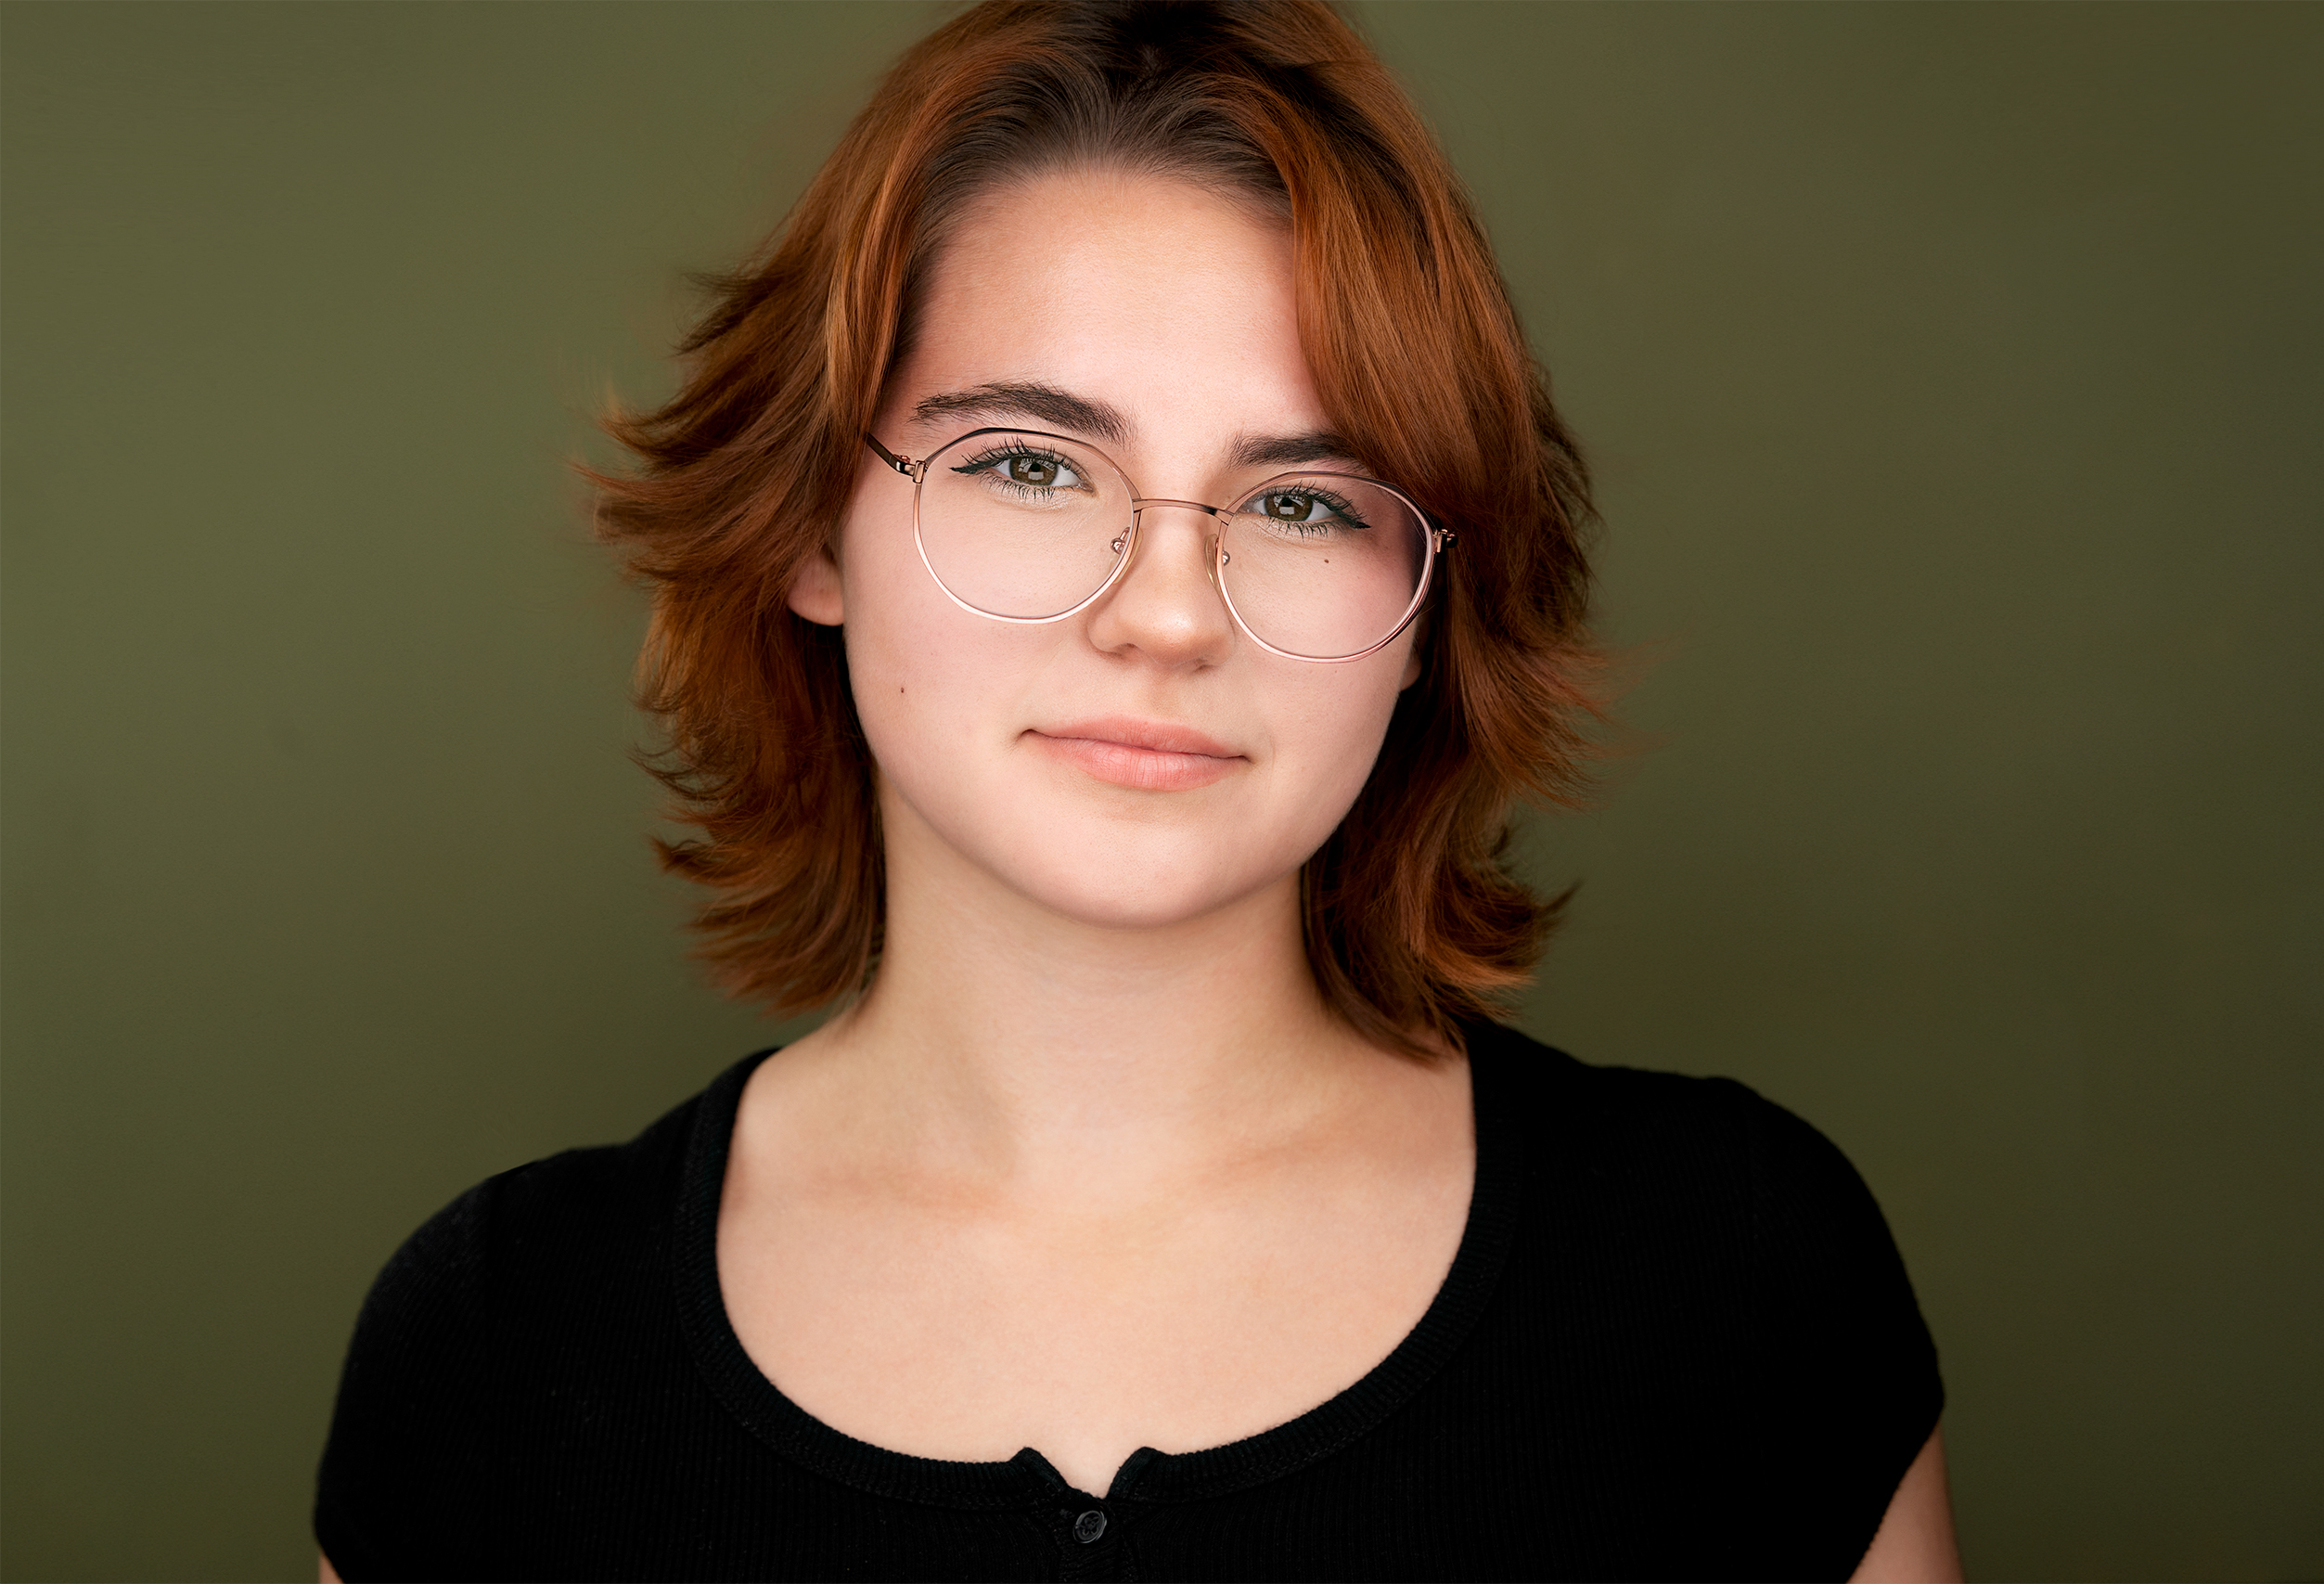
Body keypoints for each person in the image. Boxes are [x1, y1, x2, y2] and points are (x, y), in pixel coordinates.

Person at [315, 4, 1958, 1578]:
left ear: (1426, 611)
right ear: (812, 525)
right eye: (1028, 465)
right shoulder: (494, 1345)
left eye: (1310, 501)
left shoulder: (1735, 1272)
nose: (1167, 613)